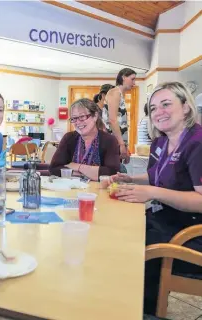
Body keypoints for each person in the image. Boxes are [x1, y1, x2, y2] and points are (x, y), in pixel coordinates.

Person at [111, 82, 202, 315]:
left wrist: (152, 193)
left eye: (166, 104)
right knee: (117, 234)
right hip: (165, 221)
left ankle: (144, 312)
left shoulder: (198, 142)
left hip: (191, 233)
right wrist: (130, 180)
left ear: (186, 108)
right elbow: (156, 177)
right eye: (153, 108)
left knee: (132, 248)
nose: (158, 112)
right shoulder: (160, 142)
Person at [49, 98, 120, 181]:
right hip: (71, 191)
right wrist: (91, 173)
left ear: (95, 116)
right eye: (74, 118)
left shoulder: (109, 140)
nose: (78, 122)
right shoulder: (68, 138)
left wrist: (77, 166)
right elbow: (54, 169)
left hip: (98, 191)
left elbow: (111, 172)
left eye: (82, 117)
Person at [102, 68, 136, 164]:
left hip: (116, 143)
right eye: (132, 79)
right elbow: (112, 120)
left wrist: (125, 146)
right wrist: (121, 145)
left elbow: (121, 124)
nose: (134, 83)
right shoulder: (115, 92)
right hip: (112, 143)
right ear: (124, 77)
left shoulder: (119, 94)